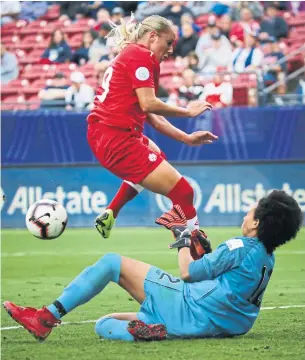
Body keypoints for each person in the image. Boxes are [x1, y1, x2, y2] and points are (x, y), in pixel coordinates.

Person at [3, 190, 302, 341]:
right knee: (103, 323)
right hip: (215, 324)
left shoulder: (238, 247)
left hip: (190, 308)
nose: (248, 210)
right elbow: (220, 278)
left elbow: (188, 274)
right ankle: (146, 330)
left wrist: (183, 237)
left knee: (111, 262)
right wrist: (198, 249)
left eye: (254, 209)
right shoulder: (266, 256)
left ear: (258, 222)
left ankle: (45, 317)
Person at [85, 15, 216, 239]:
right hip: (116, 138)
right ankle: (195, 245)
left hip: (107, 134)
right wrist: (188, 111)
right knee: (184, 192)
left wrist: (186, 138)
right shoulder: (141, 55)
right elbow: (149, 103)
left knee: (158, 155)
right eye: (168, 42)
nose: (171, 50)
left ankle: (111, 213)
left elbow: (151, 116)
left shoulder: (133, 55)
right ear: (153, 36)